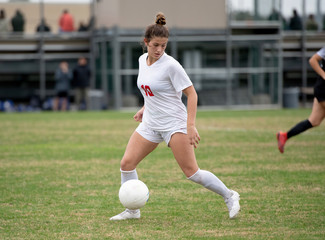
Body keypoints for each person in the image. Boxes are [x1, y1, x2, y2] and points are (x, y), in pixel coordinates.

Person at [109, 13, 240, 221]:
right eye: (155, 45)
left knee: (192, 173)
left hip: (174, 123)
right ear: (146, 43)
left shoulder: (172, 65)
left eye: (163, 45)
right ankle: (133, 210)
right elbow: (150, 89)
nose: (159, 49)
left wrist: (190, 125)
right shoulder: (142, 60)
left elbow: (192, 94)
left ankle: (230, 195)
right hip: (151, 122)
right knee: (126, 164)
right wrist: (145, 107)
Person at [277, 46, 325, 153]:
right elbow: (312, 60)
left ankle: (284, 136)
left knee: (314, 121)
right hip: (323, 88)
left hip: (320, 88)